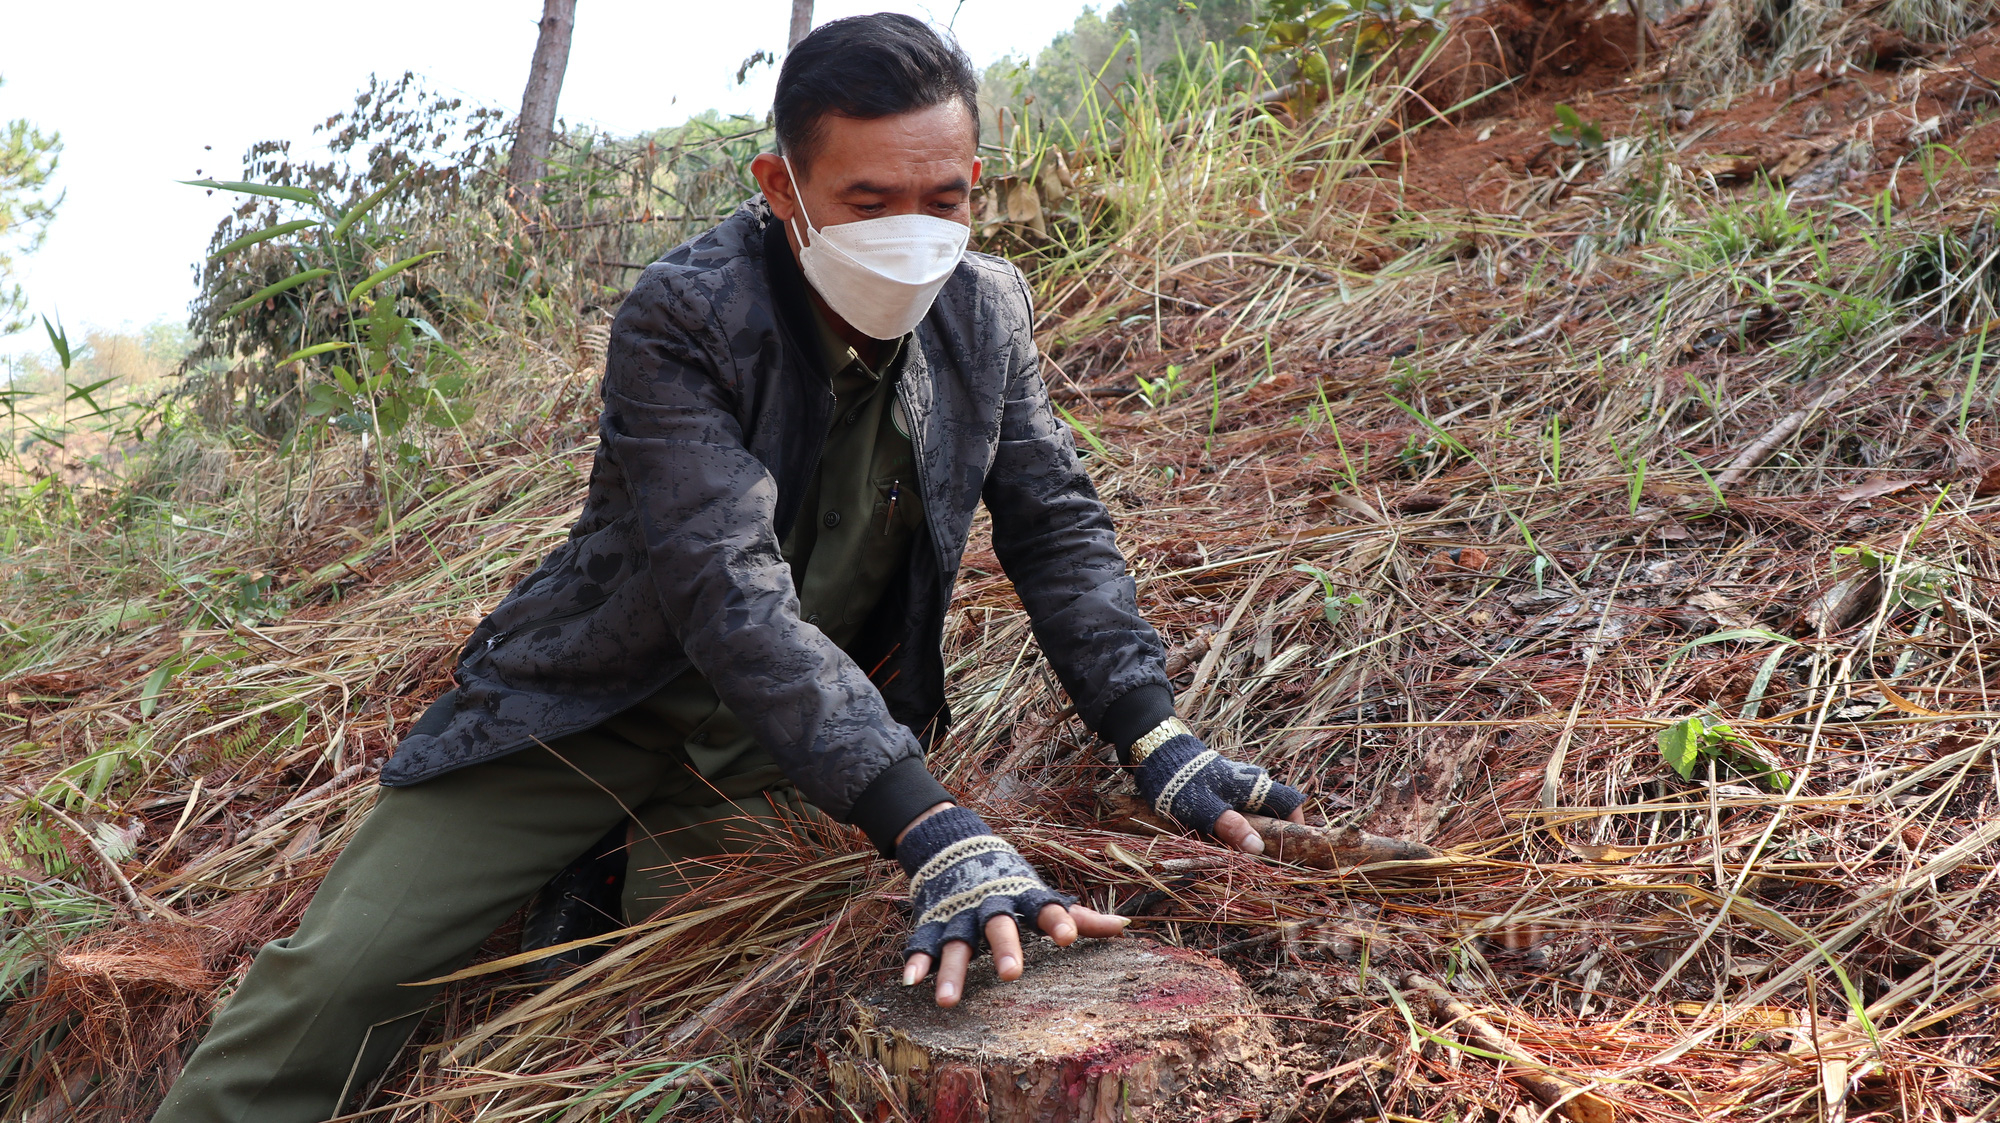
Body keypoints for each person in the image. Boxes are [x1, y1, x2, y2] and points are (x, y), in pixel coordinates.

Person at [152, 14, 1307, 1123]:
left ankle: (592, 899)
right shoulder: (687, 315)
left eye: (944, 197)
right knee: (343, 977)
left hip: (786, 743)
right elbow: (726, 589)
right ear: (779, 188)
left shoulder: (984, 312)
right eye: (868, 201)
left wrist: (1152, 735)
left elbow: (1054, 526)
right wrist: (928, 823)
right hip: (585, 705)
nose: (913, 231)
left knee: (687, 1027)